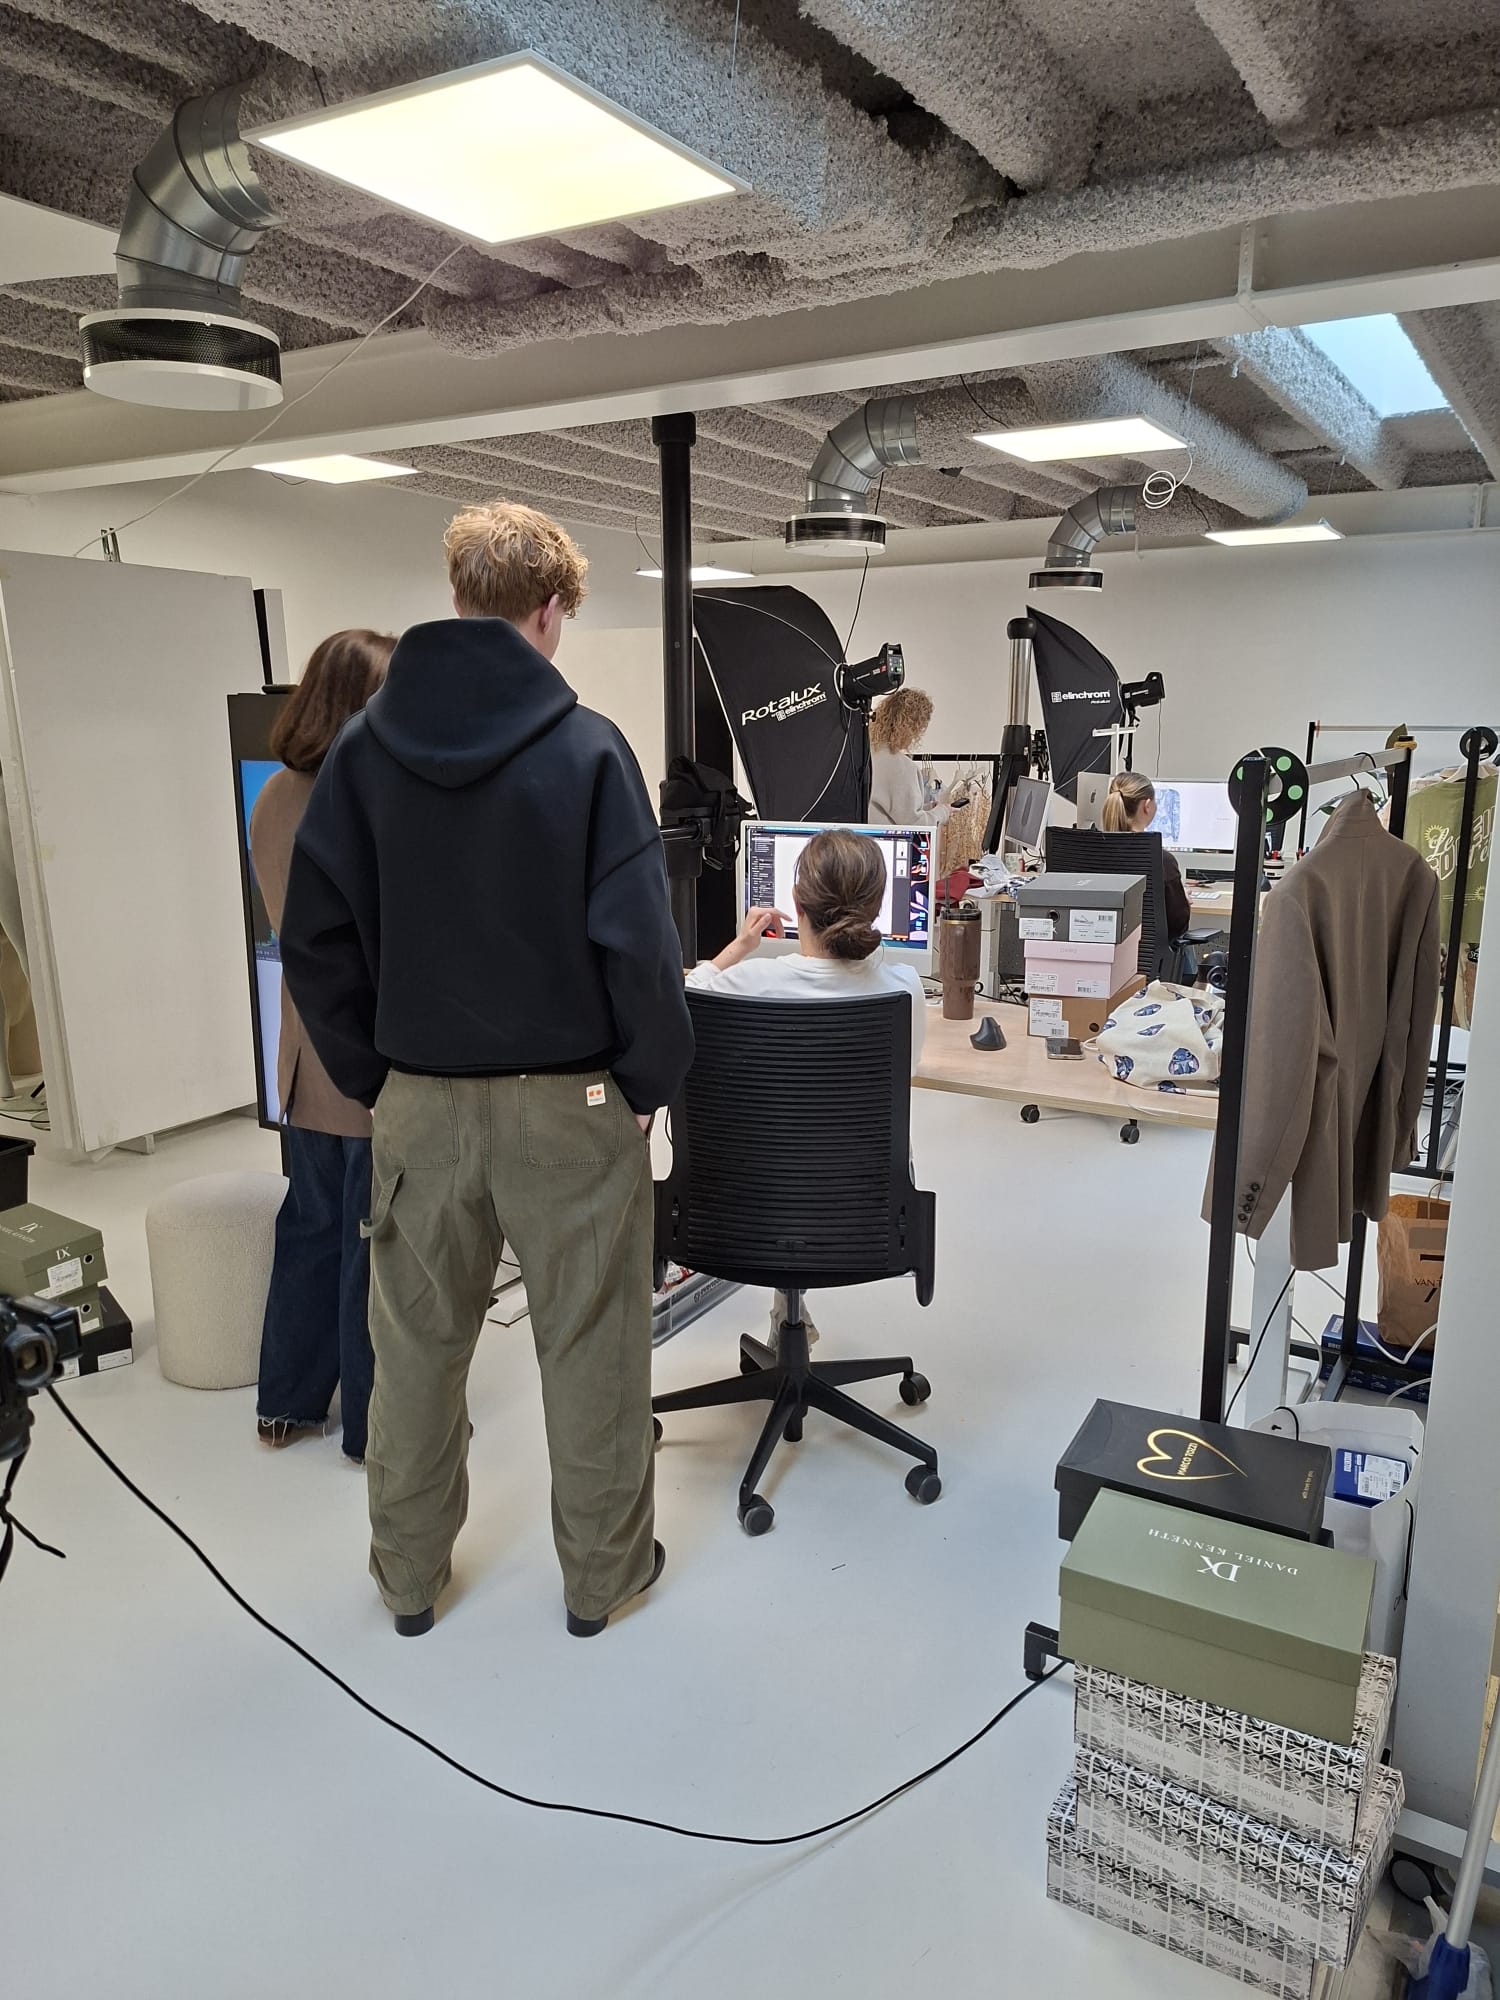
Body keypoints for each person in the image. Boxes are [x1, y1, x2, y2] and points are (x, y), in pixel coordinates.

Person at [280, 501, 693, 1641]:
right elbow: (639, 946)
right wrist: (648, 1080)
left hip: (417, 1102)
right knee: (593, 1349)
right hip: (574, 1103)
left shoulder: (361, 753)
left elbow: (313, 936)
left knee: (413, 1352)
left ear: (459, 598)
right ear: (550, 611)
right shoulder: (590, 749)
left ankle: (408, 1580)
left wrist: (375, 1074)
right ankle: (601, 1581)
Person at [685, 828, 926, 1353]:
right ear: (877, 908)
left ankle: (786, 1315)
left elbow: (682, 994)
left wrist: (739, 948)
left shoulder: (743, 986)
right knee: (818, 1149)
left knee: (782, 1149)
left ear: (796, 903)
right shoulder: (903, 990)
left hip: (737, 1211)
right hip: (861, 1216)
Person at [250, 629, 394, 1464]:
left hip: (303, 1056)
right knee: (375, 1245)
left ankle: (287, 1402)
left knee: (310, 1227)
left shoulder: (273, 796)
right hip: (367, 1059)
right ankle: (378, 1425)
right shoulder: (361, 803)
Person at [1102, 771, 1191, 939]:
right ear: (1147, 806)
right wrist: (1183, 900)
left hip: (1105, 949)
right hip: (1149, 953)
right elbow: (1178, 926)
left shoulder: (1093, 853)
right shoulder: (1162, 860)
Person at [868, 686, 941, 825]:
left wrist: (927, 809)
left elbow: (889, 810)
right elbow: (914, 823)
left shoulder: (866, 754)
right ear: (914, 727)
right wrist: (942, 812)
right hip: (882, 838)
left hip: (856, 835)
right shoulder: (901, 767)